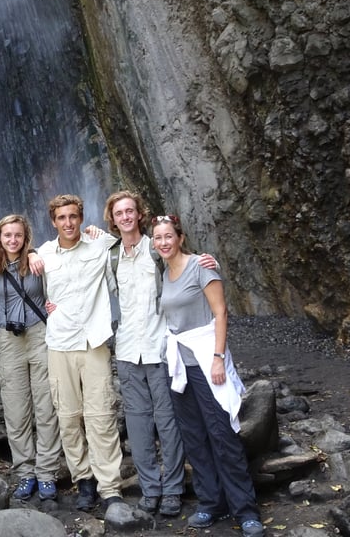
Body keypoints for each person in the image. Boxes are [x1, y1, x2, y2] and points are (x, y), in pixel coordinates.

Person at [91, 191, 217, 517]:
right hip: (128, 349)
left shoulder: (155, 248)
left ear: (139, 214)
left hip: (160, 348)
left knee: (168, 422)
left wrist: (207, 261)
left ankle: (173, 489)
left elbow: (181, 260)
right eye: (119, 213)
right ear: (113, 219)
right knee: (137, 424)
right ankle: (150, 488)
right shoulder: (111, 254)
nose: (126, 217)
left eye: (130, 211)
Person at [152, 214, 264, 537]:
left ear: (180, 237)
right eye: (158, 238)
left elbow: (220, 312)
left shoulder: (201, 266)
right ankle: (211, 503)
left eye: (168, 236)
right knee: (194, 437)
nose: (163, 243)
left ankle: (245, 510)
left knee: (222, 434)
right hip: (179, 366)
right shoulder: (165, 271)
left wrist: (218, 358)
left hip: (205, 360)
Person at [37, 194, 127, 529]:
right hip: (59, 343)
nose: (68, 223)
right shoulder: (42, 255)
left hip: (94, 342)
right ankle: (84, 478)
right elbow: (8, 260)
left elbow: (133, 239)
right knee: (68, 417)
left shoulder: (99, 244)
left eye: (73, 216)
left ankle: (110, 488)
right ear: (54, 221)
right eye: (62, 218)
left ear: (81, 217)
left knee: (101, 415)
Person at [0, 214, 61, 501]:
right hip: (8, 338)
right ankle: (25, 472)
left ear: (25, 236)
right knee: (16, 408)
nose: (13, 240)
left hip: (39, 333)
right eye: (7, 235)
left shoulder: (38, 259)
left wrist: (32, 253)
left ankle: (46, 473)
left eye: (18, 235)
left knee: (45, 405)